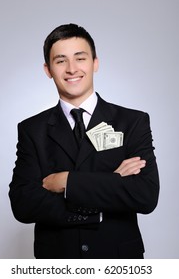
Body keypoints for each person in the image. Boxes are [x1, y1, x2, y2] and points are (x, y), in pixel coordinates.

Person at [9, 23, 159, 259]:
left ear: (95, 63)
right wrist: (111, 182)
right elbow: (23, 204)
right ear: (48, 69)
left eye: (80, 58)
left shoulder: (133, 122)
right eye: (60, 61)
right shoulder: (31, 129)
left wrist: (67, 181)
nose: (71, 69)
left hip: (118, 261)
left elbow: (145, 195)